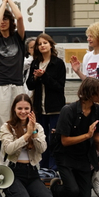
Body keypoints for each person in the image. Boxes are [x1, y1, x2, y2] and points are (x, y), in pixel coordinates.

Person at [50, 78, 99, 197]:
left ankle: (71, 183)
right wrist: (87, 135)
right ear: (91, 94)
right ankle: (55, 188)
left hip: (83, 156)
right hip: (65, 155)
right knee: (72, 191)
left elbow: (96, 137)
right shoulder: (68, 110)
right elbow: (64, 141)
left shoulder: (98, 110)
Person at [0, 0, 27, 157]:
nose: (2, 21)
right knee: (3, 123)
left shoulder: (18, 39)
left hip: (18, 84)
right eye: (1, 18)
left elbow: (20, 16)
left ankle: (19, 154)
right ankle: (4, 157)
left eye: (6, 19)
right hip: (1, 85)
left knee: (20, 119)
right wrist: (2, 3)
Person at [0, 94, 55, 197]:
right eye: (19, 108)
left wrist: (33, 133)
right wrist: (27, 135)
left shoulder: (37, 127)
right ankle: (13, 196)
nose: (23, 112)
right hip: (14, 171)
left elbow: (42, 149)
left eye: (26, 109)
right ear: (14, 109)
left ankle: (26, 195)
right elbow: (9, 149)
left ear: (31, 110)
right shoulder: (7, 127)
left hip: (32, 171)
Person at [25, 33, 66, 170]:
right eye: (39, 44)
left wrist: (44, 76)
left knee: (53, 138)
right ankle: (42, 166)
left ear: (51, 45)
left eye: (45, 43)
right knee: (40, 138)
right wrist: (36, 78)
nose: (42, 46)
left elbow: (59, 86)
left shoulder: (58, 63)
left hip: (55, 107)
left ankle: (54, 167)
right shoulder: (35, 62)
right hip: (39, 107)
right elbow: (30, 85)